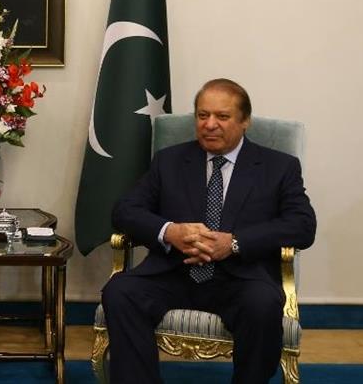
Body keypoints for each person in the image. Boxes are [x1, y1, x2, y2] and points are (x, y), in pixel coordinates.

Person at [101, 79, 316, 384]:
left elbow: (303, 225)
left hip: (240, 278)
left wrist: (235, 243)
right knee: (120, 291)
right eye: (202, 115)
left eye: (222, 116)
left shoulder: (278, 166)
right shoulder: (169, 161)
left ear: (245, 121)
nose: (210, 125)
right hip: (173, 272)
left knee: (263, 304)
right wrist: (170, 232)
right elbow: (124, 211)